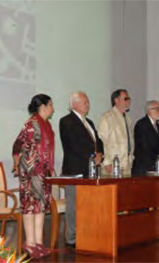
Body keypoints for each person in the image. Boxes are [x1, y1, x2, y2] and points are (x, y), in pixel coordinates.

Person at [12, 94, 54, 259]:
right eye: (50, 105)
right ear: (42, 107)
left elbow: (47, 150)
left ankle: (38, 243)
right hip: (30, 173)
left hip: (43, 172)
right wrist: (17, 164)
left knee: (41, 206)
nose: (53, 108)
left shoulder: (47, 125)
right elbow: (17, 145)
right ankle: (29, 243)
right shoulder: (31, 124)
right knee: (30, 206)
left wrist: (50, 168)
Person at [59, 92, 103, 247]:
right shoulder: (66, 121)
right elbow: (73, 145)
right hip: (75, 170)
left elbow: (97, 140)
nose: (88, 104)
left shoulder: (89, 122)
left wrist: (100, 154)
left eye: (88, 102)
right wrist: (92, 156)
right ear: (75, 104)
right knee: (74, 205)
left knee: (88, 204)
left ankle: (86, 234)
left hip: (90, 171)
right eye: (85, 101)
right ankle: (71, 238)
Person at [98, 89, 134, 175]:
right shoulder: (107, 117)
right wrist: (106, 162)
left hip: (127, 165)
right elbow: (101, 141)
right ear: (116, 100)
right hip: (112, 166)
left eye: (129, 99)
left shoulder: (127, 120)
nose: (129, 101)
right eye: (126, 99)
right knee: (113, 189)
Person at [132, 100, 159, 175]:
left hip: (155, 165)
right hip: (144, 166)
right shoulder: (141, 124)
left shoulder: (158, 127)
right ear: (149, 111)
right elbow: (144, 146)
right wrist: (155, 158)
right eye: (157, 109)